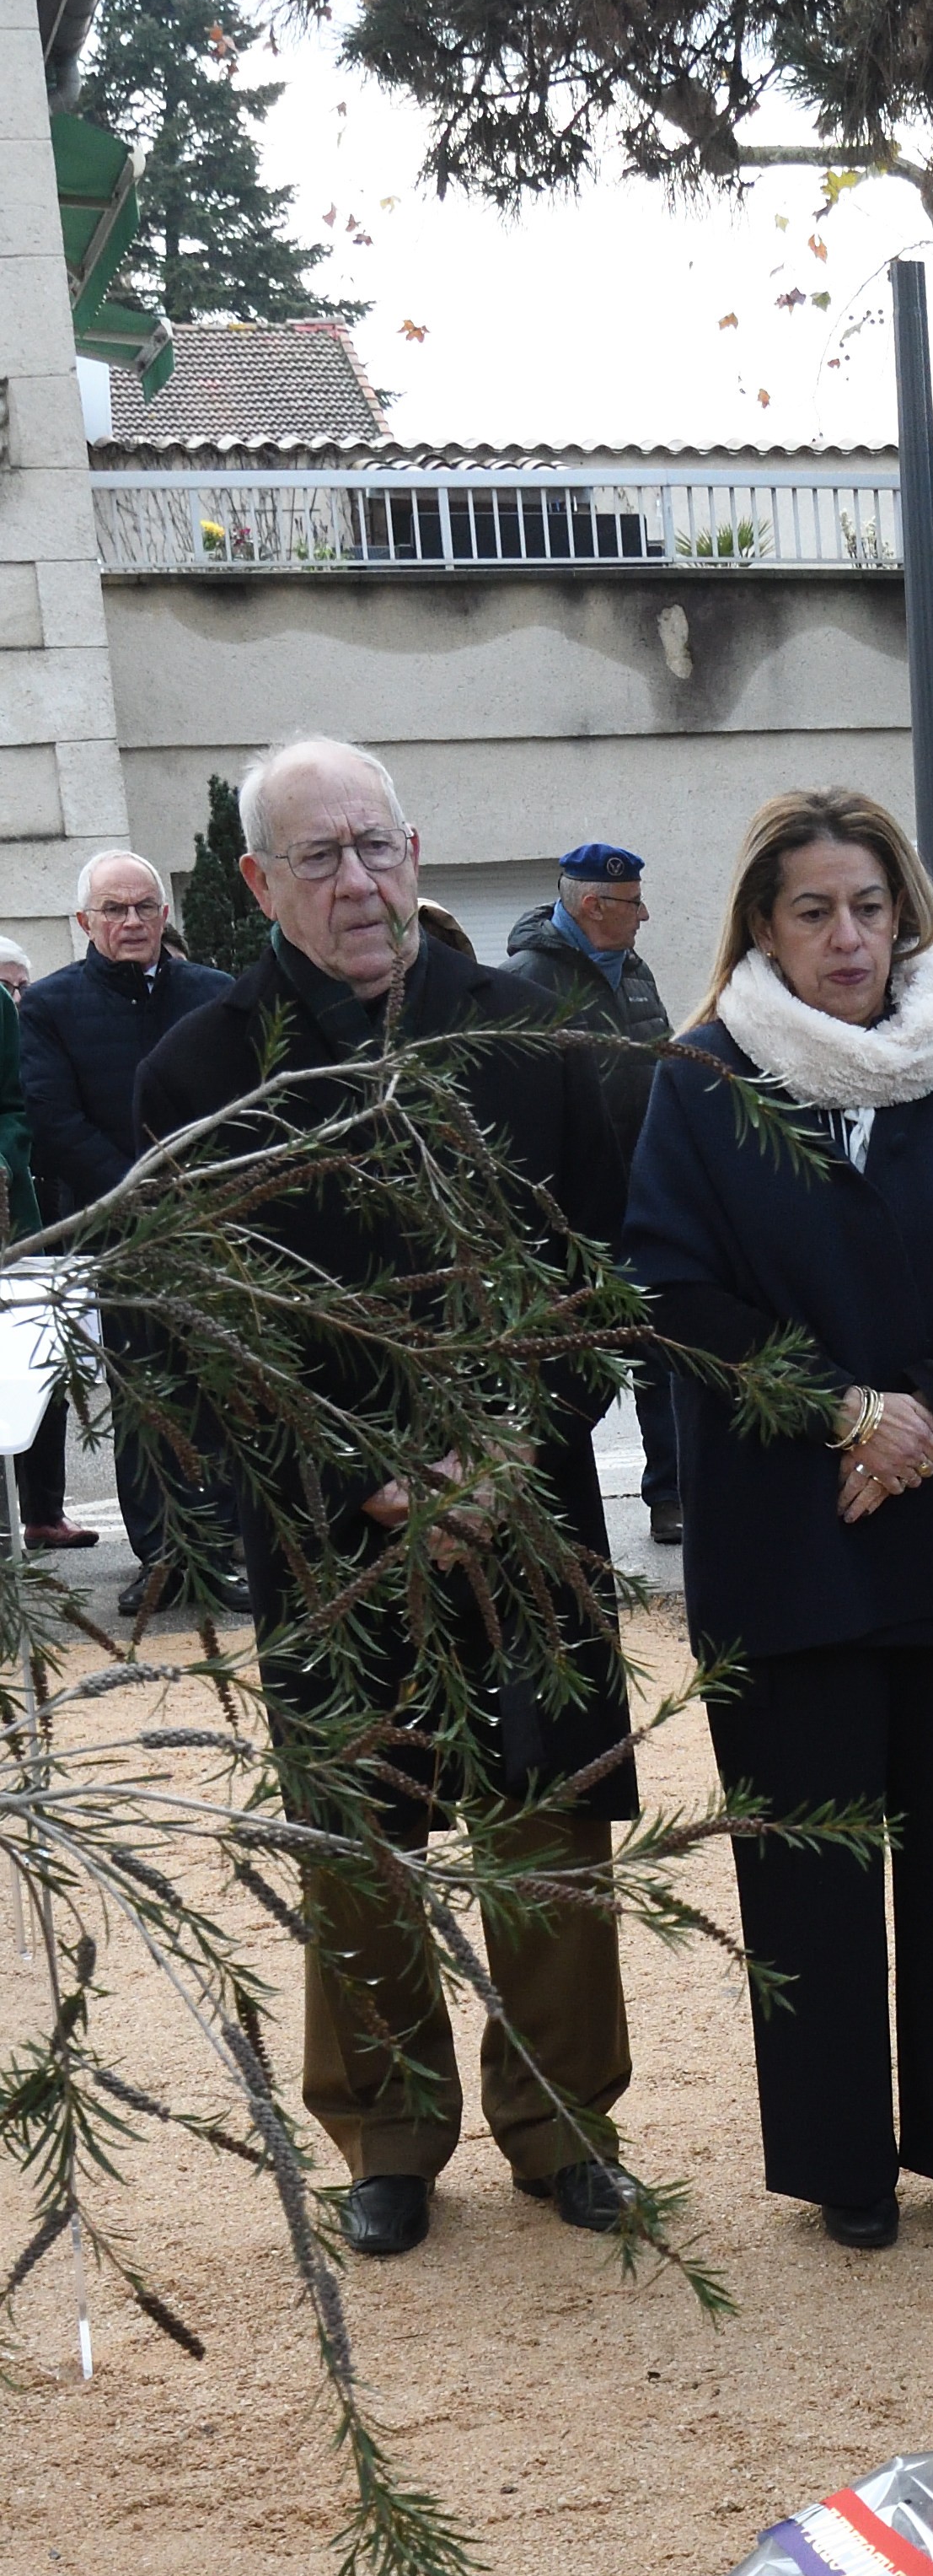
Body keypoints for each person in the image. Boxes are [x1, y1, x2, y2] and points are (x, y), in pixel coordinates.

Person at [135, 736, 641, 2261]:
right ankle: (388, 2132)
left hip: (525, 1509)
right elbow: (189, 1337)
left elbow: (609, 1274)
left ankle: (563, 2121)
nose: (357, 881)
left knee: (547, 1825)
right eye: (317, 857)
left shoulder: (534, 1032)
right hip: (329, 1538)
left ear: (416, 850)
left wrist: (508, 1444)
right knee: (362, 1841)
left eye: (377, 847)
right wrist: (365, 1476)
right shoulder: (201, 1072)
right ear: (254, 882)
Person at [625, 790, 933, 2251]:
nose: (846, 935)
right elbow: (674, 1289)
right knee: (810, 1871)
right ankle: (844, 2163)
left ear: (910, 914)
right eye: (812, 909)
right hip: (792, 1526)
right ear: (761, 922)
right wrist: (843, 1409)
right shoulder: (700, 1081)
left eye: (869, 906)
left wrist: (922, 1413)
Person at [21, 852, 239, 1614]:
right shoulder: (48, 1006)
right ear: (85, 922)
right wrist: (139, 1193)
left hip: (215, 1225)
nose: (133, 921)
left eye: (145, 906)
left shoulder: (214, 994)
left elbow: (243, 1103)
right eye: (114, 909)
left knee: (223, 1388)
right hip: (122, 1234)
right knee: (145, 1396)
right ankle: (163, 1554)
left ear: (165, 915)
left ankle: (228, 1546)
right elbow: (52, 1119)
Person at [508, 842, 682, 1542]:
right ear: (591, 905)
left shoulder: (634, 971)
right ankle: (549, 1504)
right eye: (634, 903)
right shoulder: (528, 980)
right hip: (570, 1213)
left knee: (659, 1355)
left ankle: (671, 1494)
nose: (645, 914)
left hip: (645, 1197)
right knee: (571, 1367)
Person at [0, 937, 85, 1552]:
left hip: (10, 1224)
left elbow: (16, 1106)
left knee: (32, 1372)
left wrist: (3, 1158)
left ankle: (38, 1513)